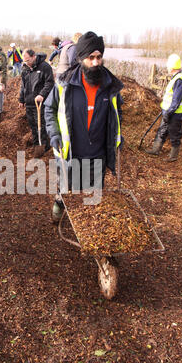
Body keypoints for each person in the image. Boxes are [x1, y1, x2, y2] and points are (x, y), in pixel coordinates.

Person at [44, 31, 123, 223]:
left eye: (99, 57)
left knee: (93, 196)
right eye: (91, 58)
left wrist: (116, 140)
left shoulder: (110, 86)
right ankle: (58, 207)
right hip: (70, 151)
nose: (96, 62)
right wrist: (54, 134)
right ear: (80, 58)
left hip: (97, 153)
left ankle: (90, 230)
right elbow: (49, 109)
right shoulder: (65, 84)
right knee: (66, 188)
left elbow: (117, 115)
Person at [146, 53, 182, 162]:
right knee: (162, 130)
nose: (167, 67)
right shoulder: (175, 77)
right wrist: (166, 111)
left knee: (174, 133)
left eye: (168, 65)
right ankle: (155, 149)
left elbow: (176, 101)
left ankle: (173, 156)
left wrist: (168, 113)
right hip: (169, 111)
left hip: (176, 113)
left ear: (172, 67)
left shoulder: (179, 81)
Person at [19, 49, 54, 156]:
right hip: (29, 101)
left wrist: (42, 94)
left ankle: (45, 146)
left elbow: (49, 83)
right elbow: (23, 85)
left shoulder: (44, 67)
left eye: (28, 60)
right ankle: (36, 146)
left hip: (40, 102)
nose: (27, 63)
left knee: (41, 125)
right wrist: (21, 99)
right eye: (25, 61)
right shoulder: (25, 68)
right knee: (33, 125)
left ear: (34, 56)